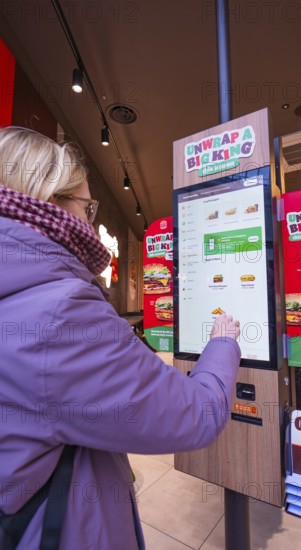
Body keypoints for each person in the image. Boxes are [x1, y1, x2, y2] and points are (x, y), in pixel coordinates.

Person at [0, 126, 241, 549]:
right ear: (50, 200)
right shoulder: (61, 314)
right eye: (87, 206)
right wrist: (223, 343)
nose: (88, 221)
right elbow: (196, 415)